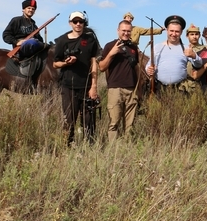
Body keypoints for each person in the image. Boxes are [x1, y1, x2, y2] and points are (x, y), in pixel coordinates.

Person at [53, 11, 101, 145]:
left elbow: (94, 62)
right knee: (69, 119)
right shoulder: (62, 40)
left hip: (86, 86)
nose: (78, 24)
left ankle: (89, 147)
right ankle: (67, 145)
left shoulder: (90, 40)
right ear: (70, 23)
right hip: (68, 86)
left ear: (84, 23)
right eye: (75, 21)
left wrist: (94, 86)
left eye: (81, 21)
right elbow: (55, 63)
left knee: (89, 120)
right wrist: (66, 63)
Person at [99, 20, 141, 143]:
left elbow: (136, 68)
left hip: (131, 89)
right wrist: (111, 54)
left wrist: (138, 88)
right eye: (123, 30)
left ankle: (128, 147)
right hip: (115, 89)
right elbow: (102, 67)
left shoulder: (133, 48)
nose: (126, 33)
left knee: (130, 124)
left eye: (128, 31)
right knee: (114, 122)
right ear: (118, 31)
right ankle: (113, 148)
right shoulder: (109, 46)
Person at [145, 15, 202, 94]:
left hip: (180, 90)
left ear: (181, 32)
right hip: (159, 90)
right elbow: (149, 65)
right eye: (171, 31)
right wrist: (148, 69)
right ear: (167, 30)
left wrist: (194, 56)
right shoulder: (157, 47)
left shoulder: (186, 48)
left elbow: (199, 64)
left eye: (177, 31)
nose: (174, 34)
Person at [182, 23, 206, 95]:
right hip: (183, 84)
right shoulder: (183, 48)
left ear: (199, 35)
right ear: (187, 36)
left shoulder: (204, 49)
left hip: (198, 84)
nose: (194, 37)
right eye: (192, 34)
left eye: (196, 34)